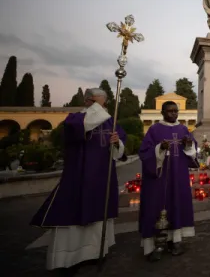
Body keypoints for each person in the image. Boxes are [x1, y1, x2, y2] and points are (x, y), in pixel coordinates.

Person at [30, 88, 126, 272]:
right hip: (79, 175)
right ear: (87, 101)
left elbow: (120, 148)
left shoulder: (110, 123)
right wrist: (99, 110)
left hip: (102, 176)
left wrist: (117, 142)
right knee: (71, 212)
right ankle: (68, 258)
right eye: (96, 102)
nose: (100, 106)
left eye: (102, 103)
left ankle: (95, 252)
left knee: (99, 215)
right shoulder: (75, 119)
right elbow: (84, 126)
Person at [138, 101, 198, 261]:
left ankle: (176, 239)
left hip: (178, 176)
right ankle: (157, 243)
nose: (174, 114)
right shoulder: (154, 129)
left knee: (177, 203)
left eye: (176, 111)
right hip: (159, 178)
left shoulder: (183, 129)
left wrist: (188, 145)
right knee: (157, 206)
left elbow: (192, 150)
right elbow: (144, 152)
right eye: (170, 111)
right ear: (162, 112)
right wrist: (160, 149)